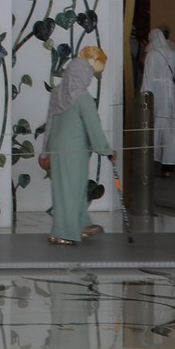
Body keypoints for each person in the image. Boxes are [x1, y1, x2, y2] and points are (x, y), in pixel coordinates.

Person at [42, 50, 112, 244]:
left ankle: (81, 224)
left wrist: (45, 150)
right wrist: (106, 149)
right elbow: (93, 126)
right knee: (71, 191)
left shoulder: (58, 93)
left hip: (57, 149)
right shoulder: (82, 97)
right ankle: (63, 232)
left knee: (68, 188)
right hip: (74, 152)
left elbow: (49, 122)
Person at [140, 27, 175, 176]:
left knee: (155, 125)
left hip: (157, 93)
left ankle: (151, 160)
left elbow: (148, 77)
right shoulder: (172, 54)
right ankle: (168, 165)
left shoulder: (152, 54)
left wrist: (144, 97)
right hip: (171, 93)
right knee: (170, 127)